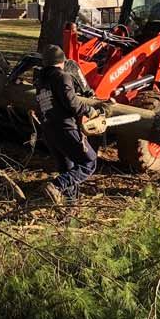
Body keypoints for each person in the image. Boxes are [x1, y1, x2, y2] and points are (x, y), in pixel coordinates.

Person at [34, 45, 98, 203]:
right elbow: (72, 102)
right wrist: (89, 110)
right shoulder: (62, 77)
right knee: (89, 162)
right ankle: (56, 185)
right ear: (61, 62)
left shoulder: (40, 81)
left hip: (48, 130)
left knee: (67, 168)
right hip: (65, 128)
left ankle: (70, 205)